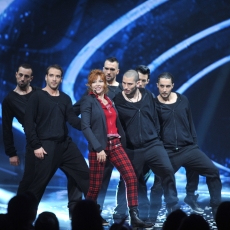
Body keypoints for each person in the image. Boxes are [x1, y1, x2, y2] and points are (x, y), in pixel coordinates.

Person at [2, 64, 83, 218]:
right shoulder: (10, 100)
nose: (23, 78)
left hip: (54, 142)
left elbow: (60, 109)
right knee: (29, 182)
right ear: (16, 75)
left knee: (73, 174)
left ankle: (74, 208)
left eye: (27, 76)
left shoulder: (41, 93)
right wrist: (11, 152)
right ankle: (17, 215)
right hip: (34, 144)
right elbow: (7, 128)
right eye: (21, 75)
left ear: (32, 78)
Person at [80, 69, 153, 228]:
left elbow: (116, 124)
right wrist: (98, 148)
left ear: (104, 83)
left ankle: (134, 216)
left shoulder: (109, 99)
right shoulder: (88, 101)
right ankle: (87, 216)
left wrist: (124, 143)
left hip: (116, 145)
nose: (98, 85)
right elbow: (85, 126)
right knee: (95, 187)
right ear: (90, 84)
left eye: (100, 81)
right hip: (99, 148)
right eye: (94, 82)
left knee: (131, 177)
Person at [152, 72, 222, 219]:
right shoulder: (154, 105)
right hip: (168, 151)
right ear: (157, 86)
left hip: (188, 148)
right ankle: (167, 208)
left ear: (172, 86)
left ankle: (217, 208)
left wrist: (194, 145)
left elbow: (190, 123)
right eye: (162, 86)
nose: (164, 90)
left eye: (167, 86)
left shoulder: (182, 100)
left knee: (213, 171)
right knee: (159, 182)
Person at [113, 70, 180, 222]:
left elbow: (155, 118)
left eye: (129, 84)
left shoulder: (147, 95)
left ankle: (173, 208)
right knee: (133, 180)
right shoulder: (118, 100)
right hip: (133, 148)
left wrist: (154, 136)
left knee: (167, 171)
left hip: (153, 145)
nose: (126, 87)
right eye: (124, 83)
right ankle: (136, 214)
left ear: (138, 83)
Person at [23, 64, 89, 211]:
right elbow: (28, 123)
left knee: (85, 176)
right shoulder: (37, 96)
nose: (54, 79)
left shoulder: (65, 98)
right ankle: (23, 219)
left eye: (57, 76)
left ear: (61, 79)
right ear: (46, 77)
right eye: (51, 75)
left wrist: (89, 125)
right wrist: (36, 145)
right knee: (38, 186)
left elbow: (72, 119)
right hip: (45, 146)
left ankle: (86, 213)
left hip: (65, 145)